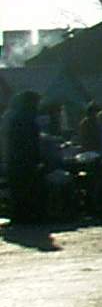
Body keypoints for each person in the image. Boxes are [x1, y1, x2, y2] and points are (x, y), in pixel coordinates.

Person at [3, 91, 47, 223]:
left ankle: (19, 216)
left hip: (13, 159)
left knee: (18, 190)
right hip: (26, 160)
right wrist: (38, 158)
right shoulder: (28, 118)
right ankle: (31, 216)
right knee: (30, 188)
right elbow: (32, 142)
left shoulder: (14, 117)